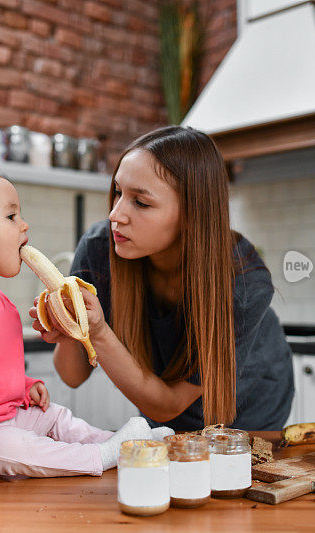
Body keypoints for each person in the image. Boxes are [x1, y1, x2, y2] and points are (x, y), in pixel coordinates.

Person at [0, 138, 171, 492]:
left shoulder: (0, 303)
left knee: (53, 415)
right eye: (11, 216)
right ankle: (100, 456)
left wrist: (23, 389)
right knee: (13, 447)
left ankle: (129, 443)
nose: (24, 226)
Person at [31, 125, 294, 433]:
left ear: (191, 215)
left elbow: (169, 404)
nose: (116, 214)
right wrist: (67, 329)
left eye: (140, 202)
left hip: (249, 415)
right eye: (117, 192)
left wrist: (100, 332)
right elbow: (72, 376)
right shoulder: (100, 248)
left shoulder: (243, 282)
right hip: (163, 417)